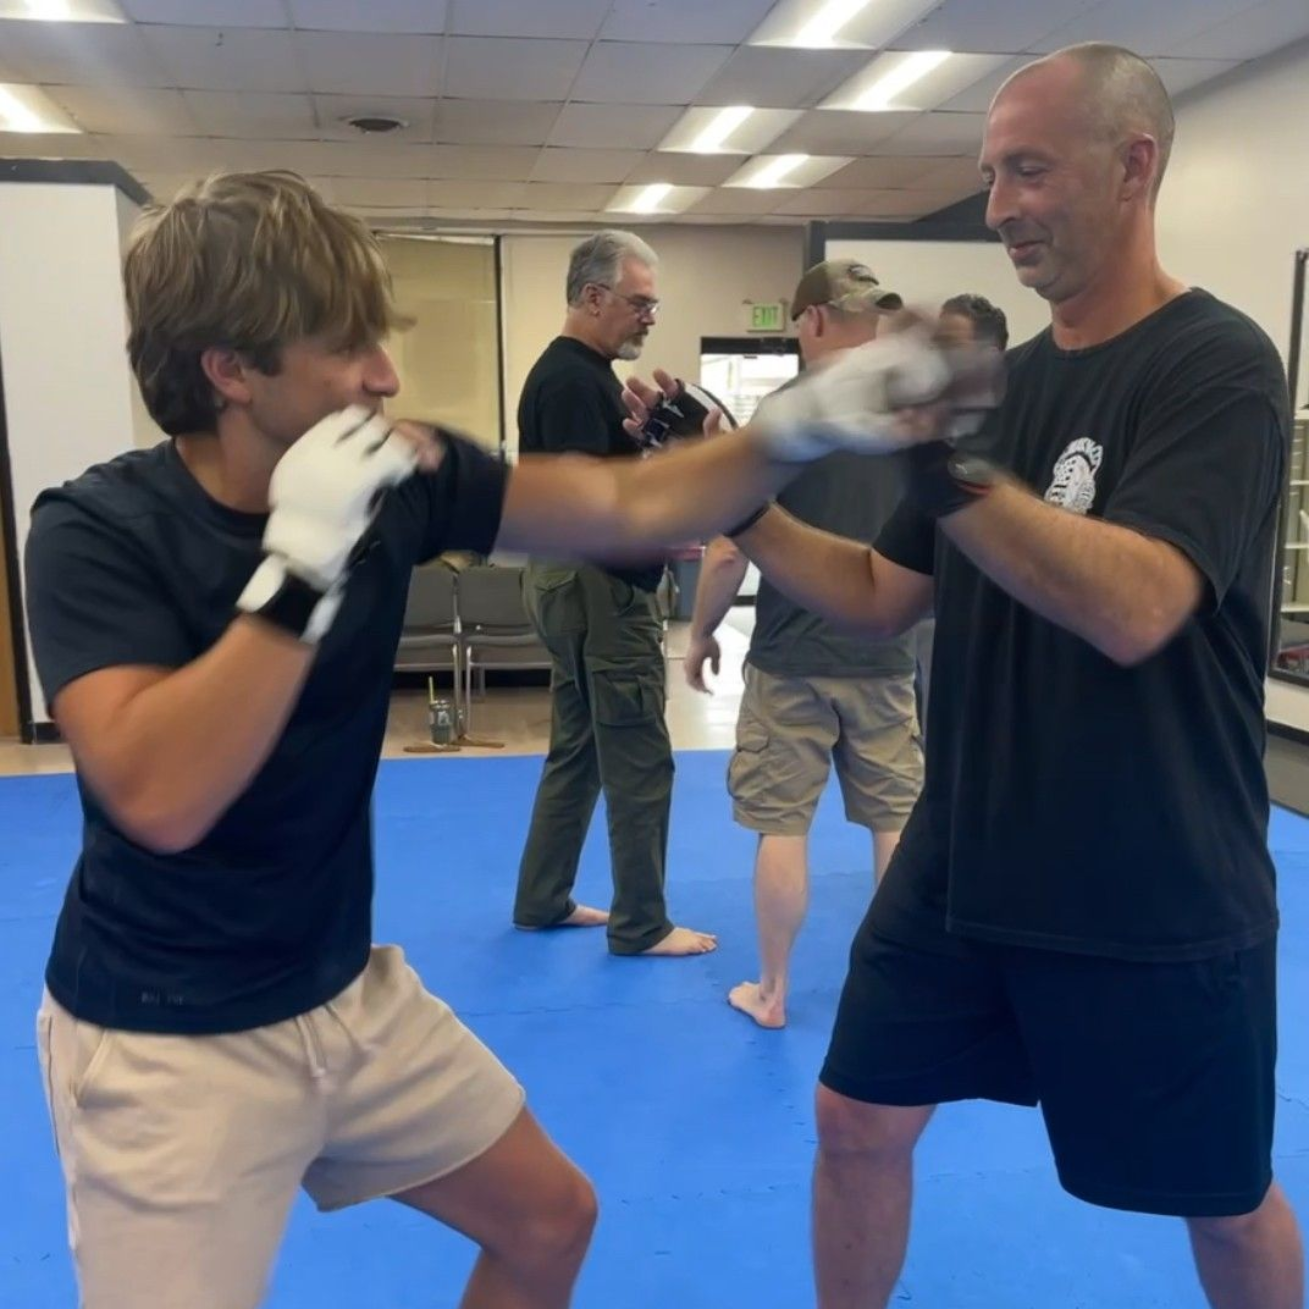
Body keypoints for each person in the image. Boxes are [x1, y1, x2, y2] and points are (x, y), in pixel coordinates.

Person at [24, 170, 980, 1309]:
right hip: (164, 1038)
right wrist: (299, 568)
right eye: (344, 348)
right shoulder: (96, 530)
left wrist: (798, 426)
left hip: (341, 993)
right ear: (230, 370)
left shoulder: (397, 476)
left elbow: (628, 506)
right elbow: (161, 793)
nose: (383, 375)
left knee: (547, 1221)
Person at [649, 42, 1303, 1309]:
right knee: (853, 1117)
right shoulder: (1004, 392)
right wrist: (739, 490)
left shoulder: (1216, 364)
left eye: (1029, 170)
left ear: (1134, 166)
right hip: (970, 851)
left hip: (1152, 869)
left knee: (1217, 1197)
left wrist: (939, 460)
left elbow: (1138, 602)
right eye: (991, 173)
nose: (1000, 206)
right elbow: (877, 594)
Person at [684, 259, 923, 1028]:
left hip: (791, 657)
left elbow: (728, 549)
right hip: (885, 652)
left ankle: (774, 990)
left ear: (809, 319)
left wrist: (700, 633)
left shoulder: (782, 417)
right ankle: (894, 987)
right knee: (893, 821)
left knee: (781, 825)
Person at [512, 231, 714, 958]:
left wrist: (648, 447)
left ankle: (541, 897)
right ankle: (642, 923)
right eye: (638, 303)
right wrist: (669, 462)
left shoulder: (577, 375)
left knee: (580, 749)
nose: (649, 317)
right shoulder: (572, 379)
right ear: (593, 297)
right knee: (638, 754)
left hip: (568, 580)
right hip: (600, 586)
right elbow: (589, 498)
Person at [913, 292, 1010, 721]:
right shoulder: (930, 427)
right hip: (926, 608)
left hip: (994, 621)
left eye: (950, 347)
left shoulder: (1015, 431)